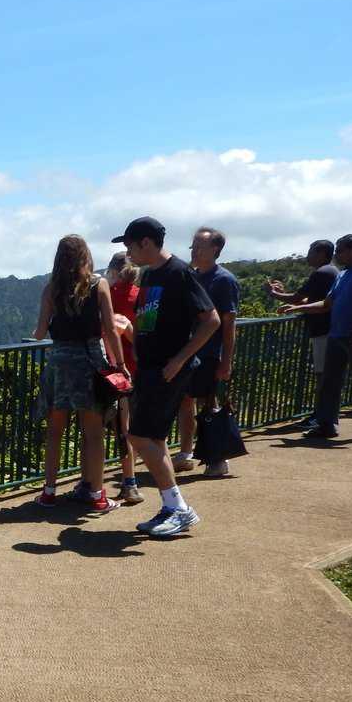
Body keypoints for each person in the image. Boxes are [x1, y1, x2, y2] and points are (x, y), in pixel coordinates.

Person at [112, 216, 220, 537]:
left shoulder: (179, 273)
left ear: (146, 242)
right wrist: (131, 331)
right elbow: (151, 322)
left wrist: (179, 359)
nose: (127, 251)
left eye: (130, 244)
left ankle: (179, 508)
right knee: (153, 439)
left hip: (168, 369)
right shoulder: (149, 276)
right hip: (150, 368)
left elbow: (211, 319)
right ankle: (171, 506)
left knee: (140, 437)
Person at [31, 236, 126, 512]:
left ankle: (48, 492)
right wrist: (120, 364)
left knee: (54, 433)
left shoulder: (51, 290)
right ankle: (97, 495)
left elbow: (39, 332)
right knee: (93, 433)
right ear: (86, 256)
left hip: (60, 363)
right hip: (90, 363)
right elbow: (109, 329)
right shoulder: (99, 285)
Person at [281, 234, 352, 439]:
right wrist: (299, 307)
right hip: (337, 334)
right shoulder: (344, 274)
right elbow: (328, 304)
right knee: (330, 380)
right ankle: (327, 424)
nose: (337, 254)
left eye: (341, 250)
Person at [177, 227, 239, 477]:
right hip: (190, 351)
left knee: (209, 404)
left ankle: (217, 458)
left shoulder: (224, 280)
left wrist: (226, 361)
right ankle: (186, 452)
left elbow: (229, 323)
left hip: (211, 352)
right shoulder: (192, 276)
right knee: (185, 400)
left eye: (199, 245)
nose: (193, 249)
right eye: (193, 244)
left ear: (215, 249)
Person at [267, 240, 339, 427]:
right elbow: (310, 299)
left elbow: (297, 297)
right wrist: (294, 303)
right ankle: (323, 415)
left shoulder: (322, 273)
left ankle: (321, 417)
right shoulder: (331, 272)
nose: (308, 255)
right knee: (325, 374)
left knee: (323, 375)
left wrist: (273, 293)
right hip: (327, 329)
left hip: (323, 330)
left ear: (322, 253)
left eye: (311, 251)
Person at [106, 253, 143, 505]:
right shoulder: (141, 296)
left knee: (98, 429)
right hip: (134, 369)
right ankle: (129, 481)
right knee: (127, 428)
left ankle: (93, 484)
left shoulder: (104, 295)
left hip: (109, 371)